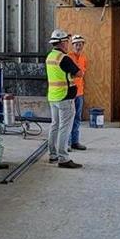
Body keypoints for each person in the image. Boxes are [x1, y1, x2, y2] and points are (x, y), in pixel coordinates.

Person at [45, 29, 82, 169]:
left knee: (54, 126)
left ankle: (52, 155)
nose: (68, 44)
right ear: (62, 43)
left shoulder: (50, 56)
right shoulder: (64, 58)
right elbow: (79, 73)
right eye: (67, 41)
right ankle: (63, 158)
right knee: (64, 128)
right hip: (65, 97)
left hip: (53, 96)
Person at [68, 34, 87, 151]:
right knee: (69, 118)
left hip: (79, 93)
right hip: (70, 93)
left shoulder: (84, 58)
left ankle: (75, 142)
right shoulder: (68, 57)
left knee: (77, 118)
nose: (79, 46)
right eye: (76, 44)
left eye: (80, 44)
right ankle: (68, 143)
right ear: (72, 45)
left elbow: (83, 74)